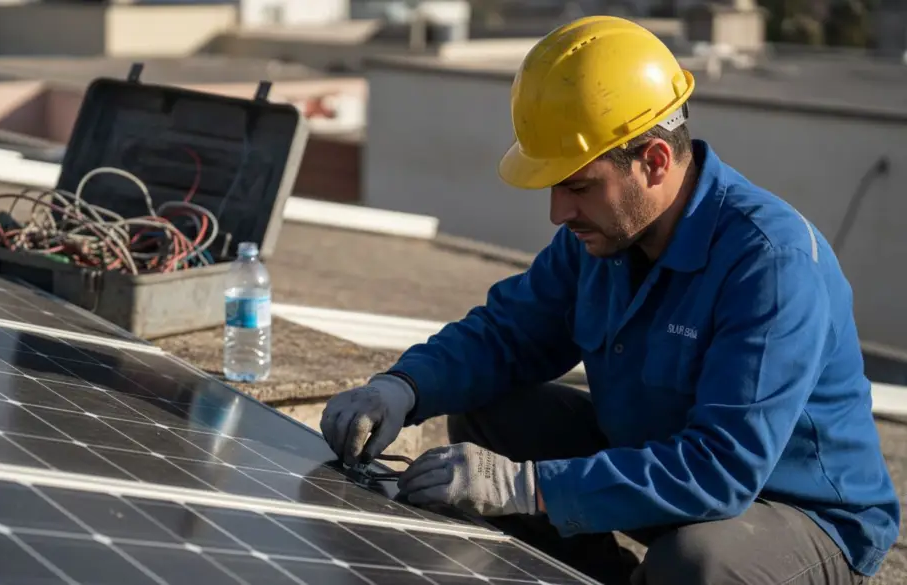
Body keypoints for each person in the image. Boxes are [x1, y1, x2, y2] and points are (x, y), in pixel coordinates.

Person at [319, 15, 900, 585]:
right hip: (660, 468)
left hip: (796, 514)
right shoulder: (604, 238)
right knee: (487, 410)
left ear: (654, 161)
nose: (558, 213)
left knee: (699, 563)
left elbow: (722, 469)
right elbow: (508, 335)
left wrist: (527, 487)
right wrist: (402, 387)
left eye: (577, 186)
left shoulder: (770, 264)